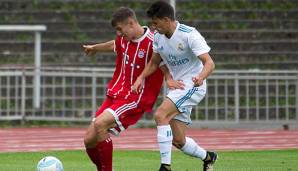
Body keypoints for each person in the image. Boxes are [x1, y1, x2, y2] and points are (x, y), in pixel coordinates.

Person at [132, 1, 217, 171]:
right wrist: (141, 77)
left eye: (155, 23)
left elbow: (209, 63)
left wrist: (201, 77)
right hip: (178, 88)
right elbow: (155, 62)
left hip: (193, 85)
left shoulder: (189, 34)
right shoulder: (158, 37)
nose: (153, 27)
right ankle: (209, 157)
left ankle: (166, 167)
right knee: (179, 141)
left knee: (160, 115)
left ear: (166, 19)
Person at [82, 7, 167, 171]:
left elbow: (162, 62)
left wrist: (171, 79)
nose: (119, 33)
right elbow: (114, 44)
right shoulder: (122, 39)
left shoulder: (153, 41)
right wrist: (95, 48)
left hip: (135, 98)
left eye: (120, 29)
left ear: (131, 23)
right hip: (115, 95)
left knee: (100, 124)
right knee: (89, 140)